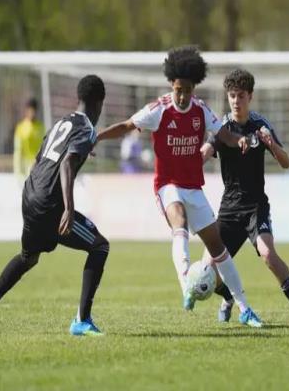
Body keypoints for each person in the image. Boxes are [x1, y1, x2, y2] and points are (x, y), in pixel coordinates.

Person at [97, 46, 262, 327]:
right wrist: (96, 138)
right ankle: (187, 283)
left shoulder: (201, 110)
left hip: (193, 187)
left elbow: (224, 135)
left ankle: (245, 309)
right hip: (167, 185)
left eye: (187, 90)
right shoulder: (158, 110)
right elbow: (126, 126)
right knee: (180, 221)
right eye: (178, 90)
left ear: (194, 87)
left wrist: (240, 140)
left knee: (218, 248)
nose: (182, 96)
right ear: (171, 85)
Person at [0, 75, 109, 336]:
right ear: (99, 103)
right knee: (100, 246)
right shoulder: (86, 127)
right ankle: (82, 320)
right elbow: (67, 163)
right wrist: (68, 208)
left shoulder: (61, 123)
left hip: (30, 194)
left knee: (28, 257)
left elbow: (40, 160)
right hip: (50, 204)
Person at [201, 69, 289, 327]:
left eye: (241, 96)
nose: (236, 101)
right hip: (229, 210)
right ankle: (229, 297)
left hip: (255, 207)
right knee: (206, 271)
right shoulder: (221, 128)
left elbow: (285, 162)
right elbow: (205, 151)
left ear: (250, 97)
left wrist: (271, 144)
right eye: (232, 96)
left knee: (268, 254)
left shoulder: (260, 124)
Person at [13, 98, 45, 179]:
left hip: (38, 166)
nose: (31, 113)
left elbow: (44, 147)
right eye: (29, 110)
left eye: (33, 111)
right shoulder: (21, 127)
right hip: (25, 167)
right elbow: (18, 150)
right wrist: (18, 170)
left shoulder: (41, 127)